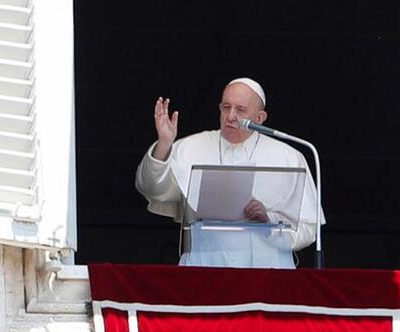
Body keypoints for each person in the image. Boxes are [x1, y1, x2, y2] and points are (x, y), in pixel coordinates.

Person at [135, 77, 325, 268]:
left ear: (259, 118)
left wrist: (268, 220)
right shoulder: (192, 146)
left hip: (267, 270)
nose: (231, 116)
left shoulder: (288, 157)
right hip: (204, 267)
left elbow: (308, 228)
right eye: (226, 107)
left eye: (240, 110)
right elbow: (152, 189)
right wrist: (165, 144)